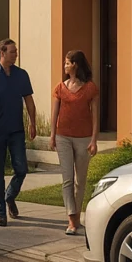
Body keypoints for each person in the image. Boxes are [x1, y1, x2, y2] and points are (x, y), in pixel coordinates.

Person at [0, 39, 36, 227]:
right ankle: (1, 212)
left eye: (16, 51)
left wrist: (33, 123)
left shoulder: (21, 75)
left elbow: (29, 101)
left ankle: (10, 196)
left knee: (21, 169)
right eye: (12, 51)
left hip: (17, 131)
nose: (16, 54)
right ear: (2, 53)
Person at [50, 50, 99, 235]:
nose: (64, 66)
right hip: (63, 137)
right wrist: (53, 135)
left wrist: (94, 139)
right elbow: (55, 113)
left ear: (75, 65)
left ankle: (77, 215)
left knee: (81, 181)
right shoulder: (60, 88)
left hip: (84, 139)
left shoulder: (90, 88)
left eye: (67, 63)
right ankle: (72, 218)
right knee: (67, 179)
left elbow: (95, 116)